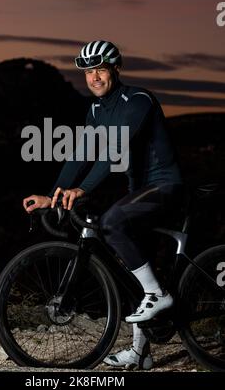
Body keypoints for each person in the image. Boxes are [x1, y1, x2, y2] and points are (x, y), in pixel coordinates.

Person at [23, 40, 184, 370]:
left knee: (111, 222)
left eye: (100, 70)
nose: (94, 77)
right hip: (137, 191)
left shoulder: (138, 100)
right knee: (130, 265)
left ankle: (160, 297)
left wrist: (81, 190)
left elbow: (114, 150)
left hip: (164, 186)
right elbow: (81, 154)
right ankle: (141, 352)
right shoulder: (97, 110)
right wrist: (53, 194)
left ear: (115, 69)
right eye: (88, 72)